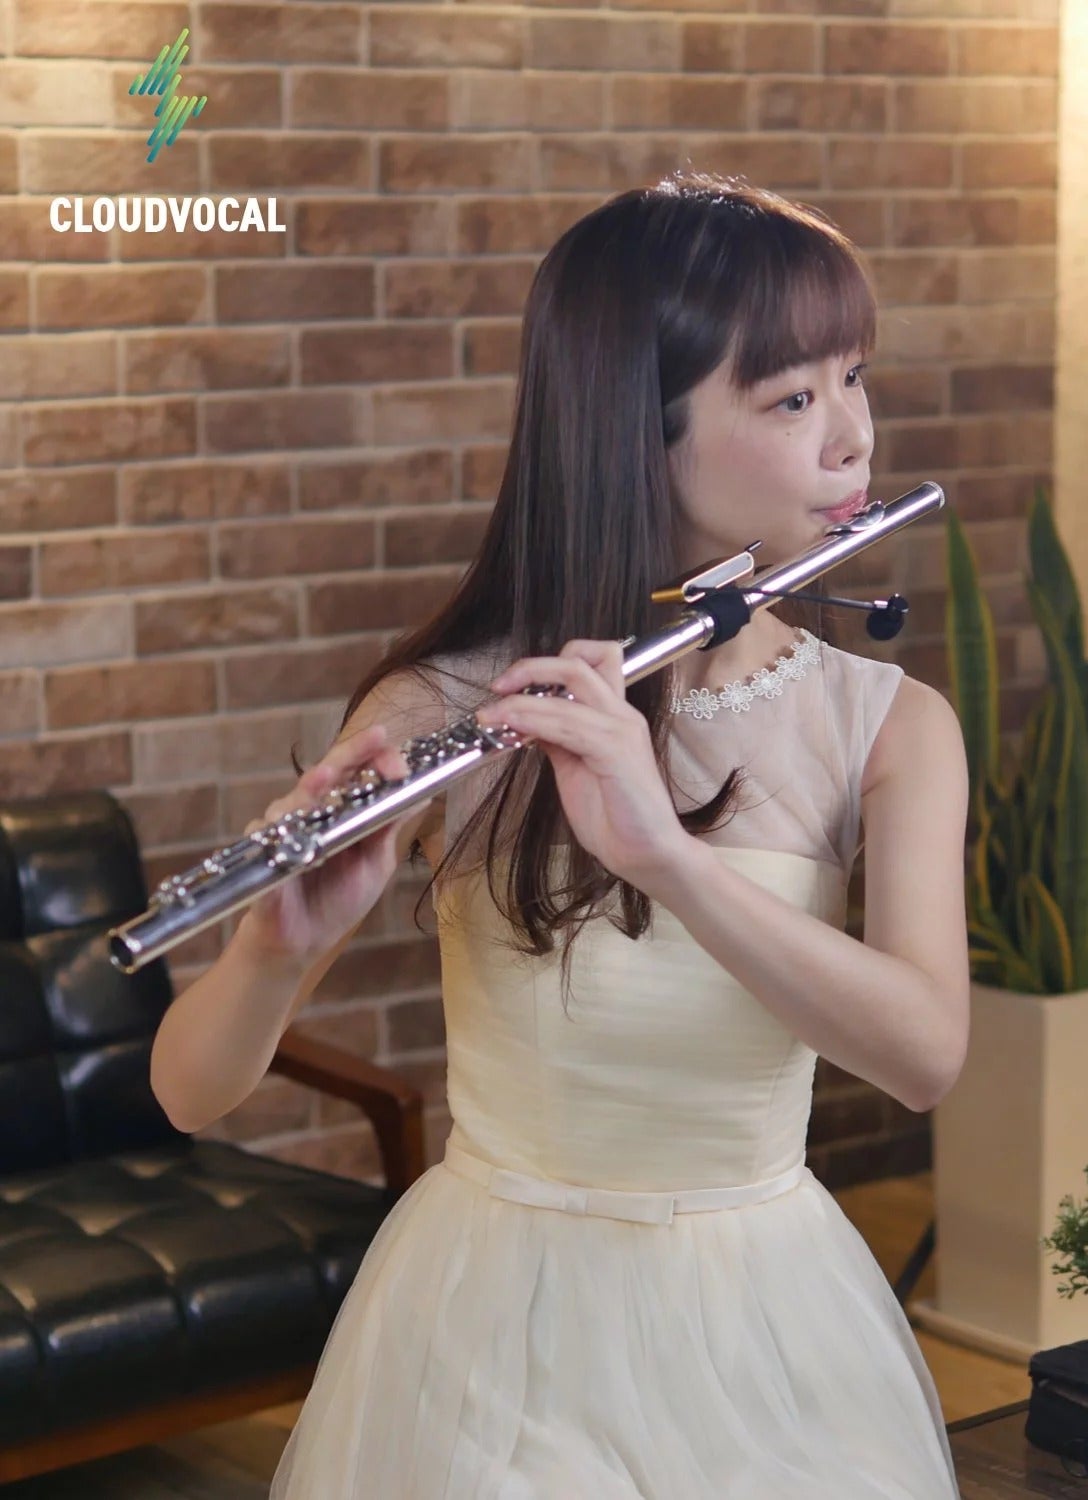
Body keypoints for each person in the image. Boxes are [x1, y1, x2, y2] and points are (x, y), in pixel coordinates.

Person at [149, 168, 971, 1498]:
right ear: (638, 428)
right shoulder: (446, 708)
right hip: (493, 1331)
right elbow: (191, 1095)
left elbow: (924, 1055)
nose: (852, 440)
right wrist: (269, 948)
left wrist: (670, 861)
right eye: (793, 399)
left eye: (854, 378)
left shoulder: (889, 724)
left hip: (763, 1324)